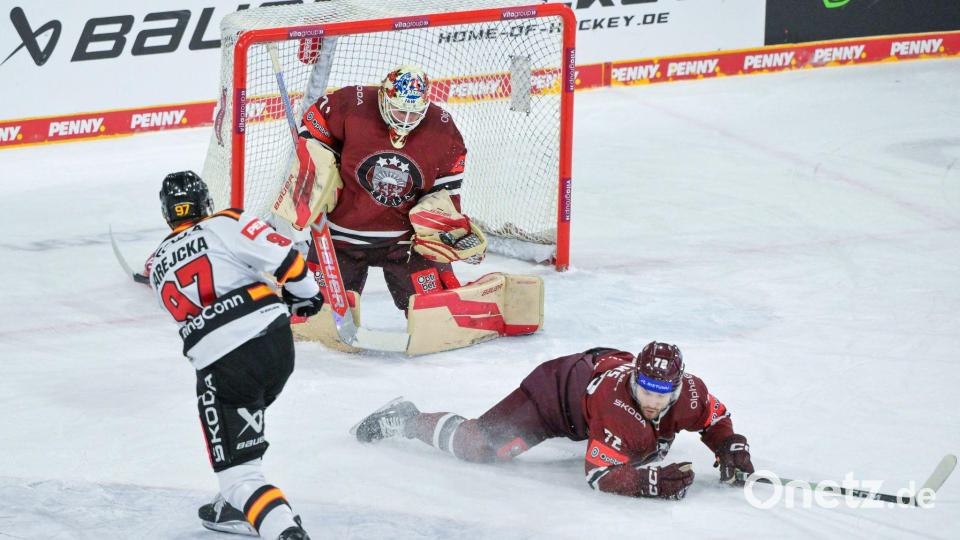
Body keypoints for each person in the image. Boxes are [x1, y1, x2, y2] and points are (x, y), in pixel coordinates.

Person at [150, 171, 324, 539]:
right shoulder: (225, 221)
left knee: (238, 477)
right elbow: (287, 260)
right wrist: (307, 295)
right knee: (245, 424)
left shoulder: (157, 266)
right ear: (206, 203)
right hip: (275, 347)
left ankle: (269, 518)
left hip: (224, 366)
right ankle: (240, 505)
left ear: (167, 214)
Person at [352, 342, 754, 500]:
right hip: (554, 394)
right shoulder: (616, 405)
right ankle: (407, 419)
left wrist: (729, 443)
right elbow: (599, 475)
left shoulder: (692, 392)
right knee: (480, 446)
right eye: (644, 389)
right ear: (634, 380)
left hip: (596, 371)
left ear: (678, 388)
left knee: (642, 446)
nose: (652, 400)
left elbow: (716, 417)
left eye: (661, 393)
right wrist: (649, 483)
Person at [292, 64, 486, 313]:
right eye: (399, 110)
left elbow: (446, 188)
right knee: (317, 311)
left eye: (414, 114)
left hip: (406, 242)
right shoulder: (352, 105)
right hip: (340, 238)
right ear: (384, 96)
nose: (405, 120)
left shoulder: (441, 127)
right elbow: (313, 128)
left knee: (434, 311)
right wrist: (315, 171)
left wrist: (446, 227)